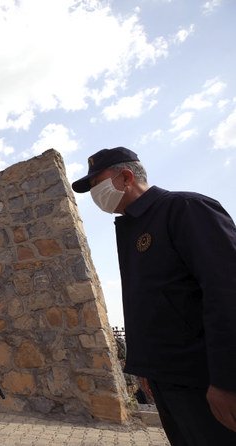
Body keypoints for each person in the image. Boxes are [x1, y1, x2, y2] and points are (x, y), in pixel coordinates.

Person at [72, 147, 236, 445]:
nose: (95, 194)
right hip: (168, 381)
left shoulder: (185, 209)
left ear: (125, 177)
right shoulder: (133, 228)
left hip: (203, 381)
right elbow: (149, 303)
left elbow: (227, 292)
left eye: (97, 184)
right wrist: (147, 367)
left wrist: (227, 381)